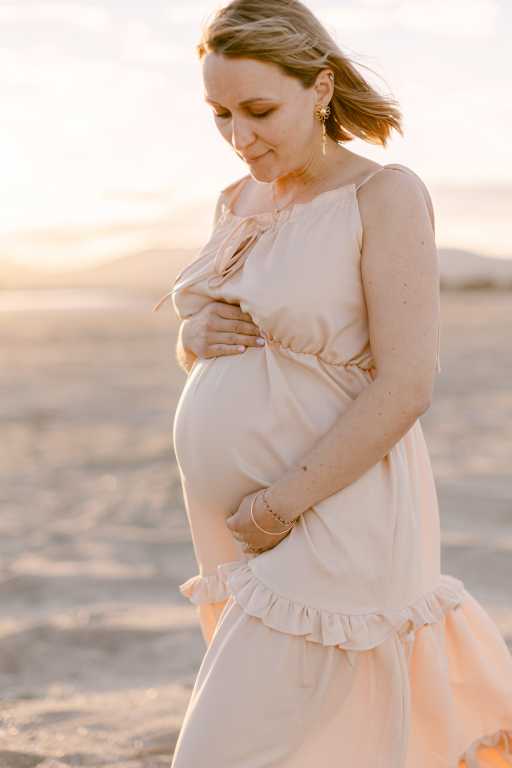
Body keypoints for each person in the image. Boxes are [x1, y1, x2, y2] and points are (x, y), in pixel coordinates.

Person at [153, 1, 512, 765]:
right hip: (241, 529)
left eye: (258, 110)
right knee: (305, 742)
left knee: (221, 752)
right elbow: (233, 339)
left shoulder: (383, 195)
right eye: (219, 114)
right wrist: (191, 338)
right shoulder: (236, 201)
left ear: (319, 89)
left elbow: (409, 382)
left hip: (332, 515)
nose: (238, 137)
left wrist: (279, 506)